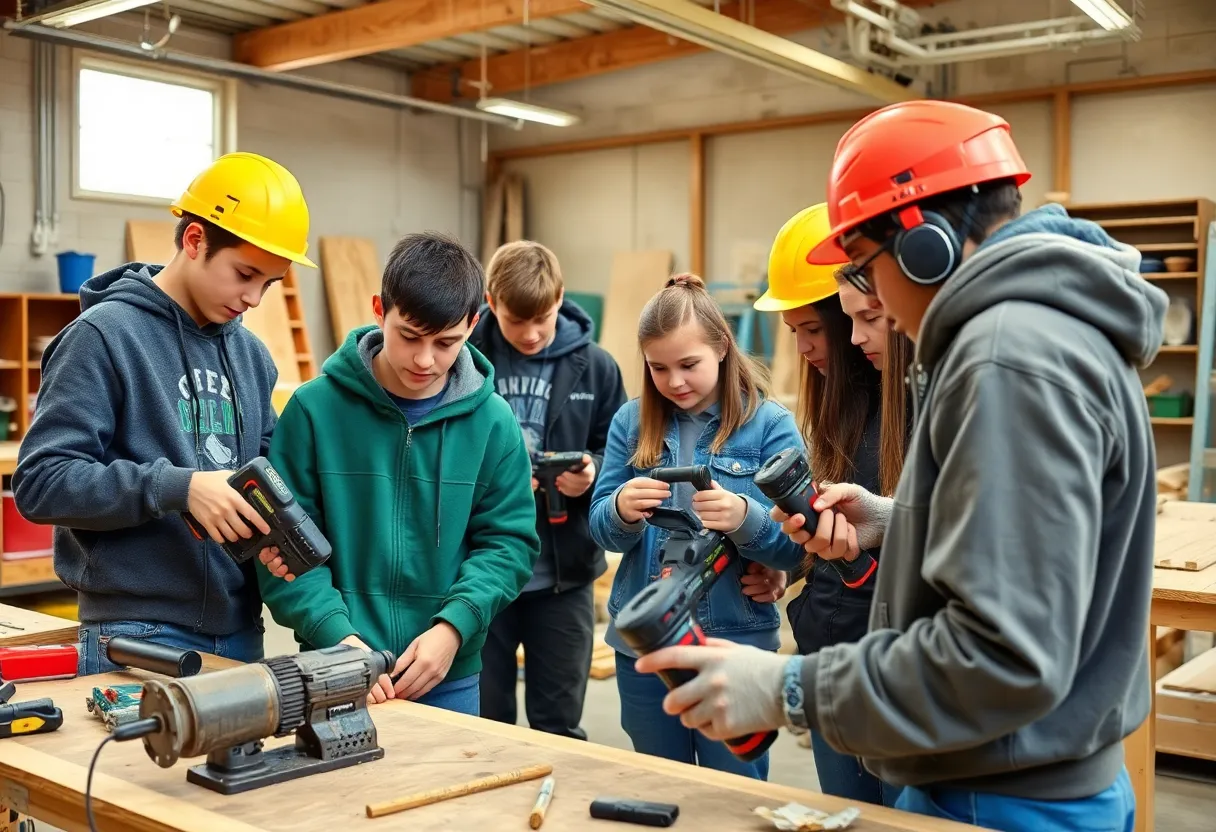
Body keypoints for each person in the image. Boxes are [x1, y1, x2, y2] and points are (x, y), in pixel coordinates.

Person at [633, 100, 1165, 832]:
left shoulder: (1008, 356)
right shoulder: (1045, 333)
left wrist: (789, 689)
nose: (872, 301)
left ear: (925, 246)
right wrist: (897, 523)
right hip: (1006, 774)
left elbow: (1004, 656)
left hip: (1003, 791)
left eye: (869, 268)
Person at [13, 152, 311, 675]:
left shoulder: (250, 356)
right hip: (135, 632)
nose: (253, 298)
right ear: (194, 240)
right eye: (244, 274)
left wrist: (276, 532)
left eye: (268, 283)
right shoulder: (103, 337)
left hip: (240, 629)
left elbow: (264, 476)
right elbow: (41, 481)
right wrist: (178, 487)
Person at [256, 231, 541, 715]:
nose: (425, 359)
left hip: (446, 675)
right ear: (378, 310)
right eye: (409, 336)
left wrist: (453, 628)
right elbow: (280, 547)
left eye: (447, 342)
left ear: (474, 323)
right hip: (333, 671)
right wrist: (337, 638)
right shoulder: (312, 411)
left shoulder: (494, 423)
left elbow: (508, 545)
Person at [589, 274, 805, 781]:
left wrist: (746, 518)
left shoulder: (769, 423)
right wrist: (620, 507)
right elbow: (600, 529)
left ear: (723, 347)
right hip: (645, 642)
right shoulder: (630, 421)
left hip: (736, 637)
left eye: (689, 365)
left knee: (732, 790)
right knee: (661, 781)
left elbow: (798, 546)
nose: (675, 382)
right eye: (658, 368)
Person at [753, 203, 908, 808]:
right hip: (834, 654)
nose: (805, 349)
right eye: (793, 333)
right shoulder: (844, 410)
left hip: (893, 670)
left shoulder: (927, 408)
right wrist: (793, 561)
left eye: (813, 330)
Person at [469, 240, 627, 739]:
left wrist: (592, 472)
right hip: (480, 571)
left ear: (560, 296)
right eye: (518, 321)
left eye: (544, 317)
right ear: (492, 303)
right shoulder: (465, 360)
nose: (533, 333)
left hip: (564, 573)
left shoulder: (597, 368)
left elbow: (621, 453)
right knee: (484, 726)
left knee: (559, 725)